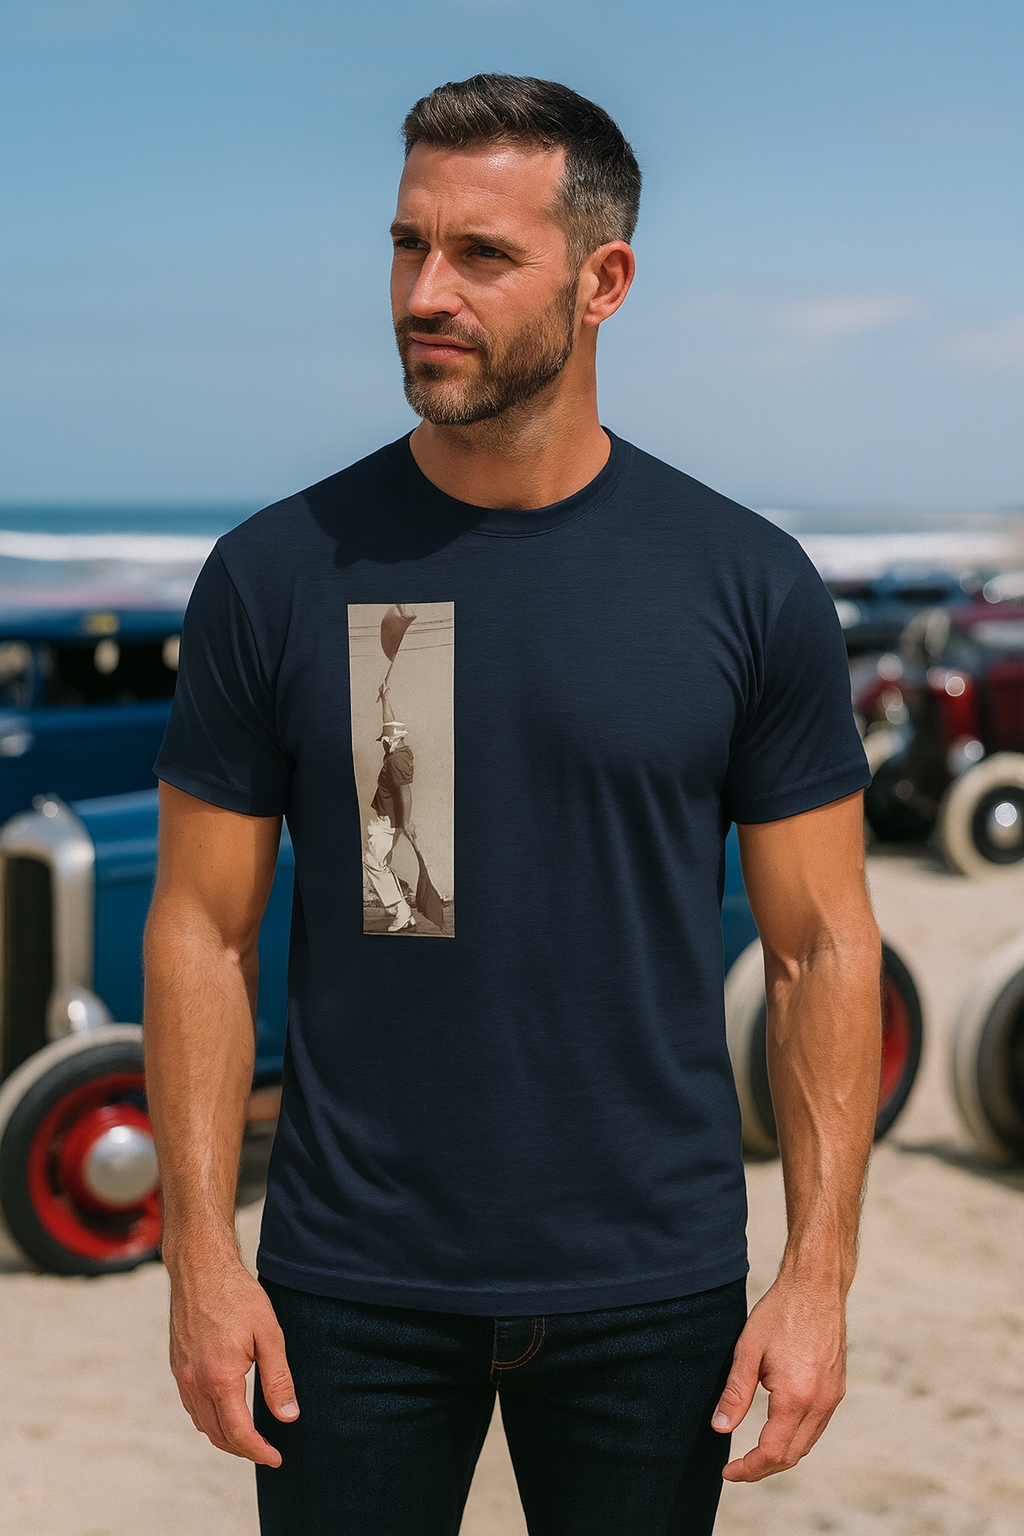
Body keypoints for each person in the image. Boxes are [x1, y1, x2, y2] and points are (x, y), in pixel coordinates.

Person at [144, 74, 881, 1536]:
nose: (427, 290)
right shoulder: (283, 574)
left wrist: (817, 1278)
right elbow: (199, 931)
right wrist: (202, 1263)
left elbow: (822, 949)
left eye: (483, 254)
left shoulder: (744, 583)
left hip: (652, 1294)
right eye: (409, 244)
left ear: (603, 281)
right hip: (347, 1295)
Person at [363, 684, 416, 932]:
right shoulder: (397, 750)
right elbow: (390, 722)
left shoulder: (396, 761)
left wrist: (406, 823)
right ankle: (400, 906)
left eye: (384, 741)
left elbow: (405, 793)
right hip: (388, 820)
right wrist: (385, 698)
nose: (382, 744)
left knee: (374, 862)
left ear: (390, 741)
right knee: (378, 861)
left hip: (390, 822)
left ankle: (401, 909)